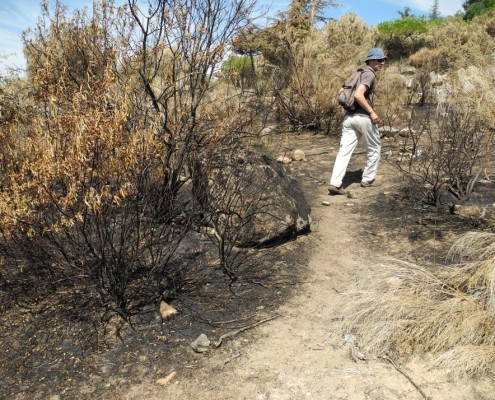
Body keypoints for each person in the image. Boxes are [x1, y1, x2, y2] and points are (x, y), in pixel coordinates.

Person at [328, 48, 386, 195]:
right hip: (363, 118)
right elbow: (359, 95)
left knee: (344, 151)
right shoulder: (369, 74)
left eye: (383, 60)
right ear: (371, 61)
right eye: (379, 60)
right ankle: (367, 179)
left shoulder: (357, 73)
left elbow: (340, 92)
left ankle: (335, 183)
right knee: (374, 147)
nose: (382, 63)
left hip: (349, 118)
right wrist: (372, 112)